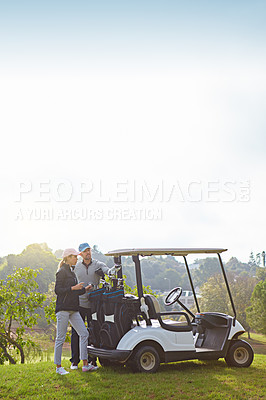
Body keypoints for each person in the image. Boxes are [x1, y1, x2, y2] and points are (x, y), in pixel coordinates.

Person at [54, 248, 98, 375]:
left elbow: (74, 291)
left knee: (84, 334)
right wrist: (73, 287)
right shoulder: (61, 272)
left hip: (73, 309)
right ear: (68, 257)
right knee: (60, 338)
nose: (77, 259)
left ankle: (85, 365)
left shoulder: (72, 272)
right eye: (75, 257)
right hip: (63, 309)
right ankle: (58, 367)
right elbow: (58, 290)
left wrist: (84, 289)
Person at [70, 243, 110, 369]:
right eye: (85, 251)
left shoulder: (97, 264)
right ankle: (74, 361)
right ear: (80, 254)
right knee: (76, 332)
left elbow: (106, 269)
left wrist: (110, 272)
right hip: (79, 304)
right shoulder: (75, 266)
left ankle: (93, 360)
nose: (88, 253)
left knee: (95, 331)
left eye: (89, 250)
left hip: (94, 304)